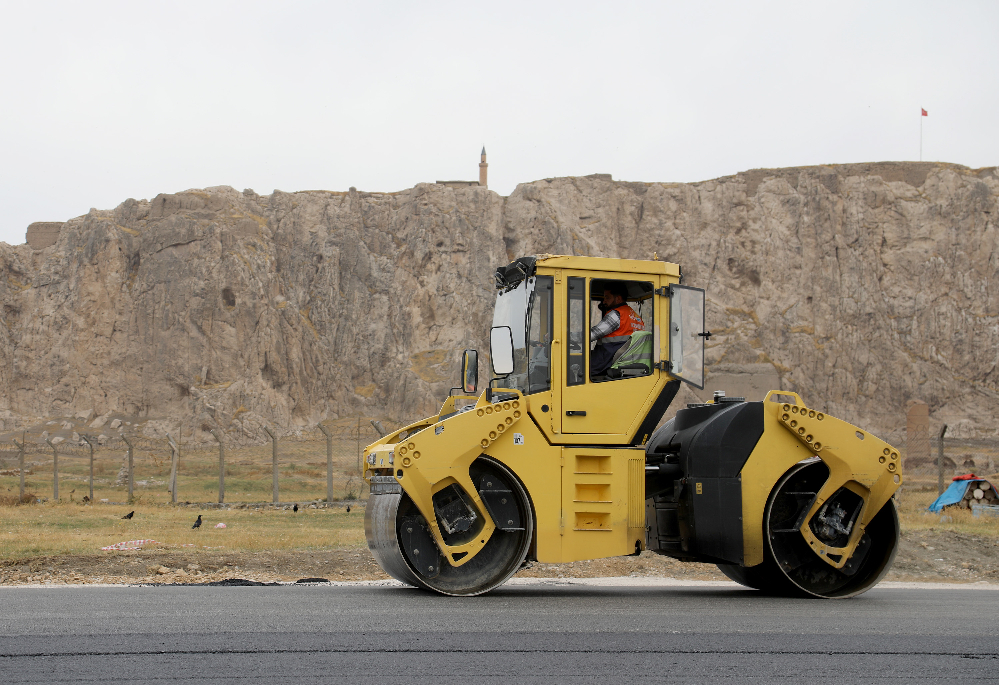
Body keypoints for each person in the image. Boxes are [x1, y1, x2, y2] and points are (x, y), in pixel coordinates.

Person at [590, 283, 644, 377]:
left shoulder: (616, 315)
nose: (604, 301)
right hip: (622, 362)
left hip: (606, 364)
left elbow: (592, 334)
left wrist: (568, 337)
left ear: (618, 299)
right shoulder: (636, 317)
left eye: (607, 298)